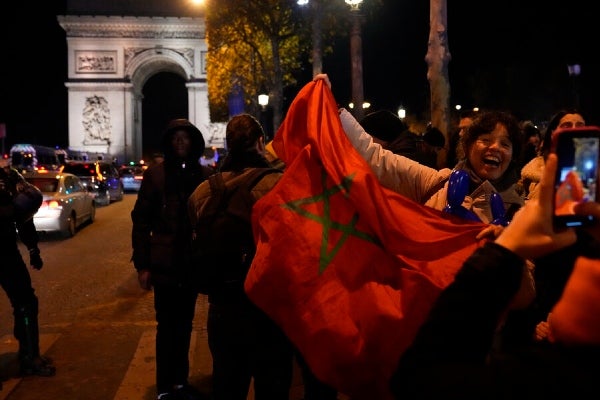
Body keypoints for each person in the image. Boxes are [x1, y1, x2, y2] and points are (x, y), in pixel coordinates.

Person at [389, 152, 600, 399]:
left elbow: (422, 378)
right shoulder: (442, 182)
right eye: (486, 138)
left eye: (505, 142)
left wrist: (506, 251)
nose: (494, 148)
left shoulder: (545, 378)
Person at [187, 114, 293, 400]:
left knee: (228, 385)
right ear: (261, 142)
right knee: (273, 388)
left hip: (224, 308)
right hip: (270, 309)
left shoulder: (202, 193)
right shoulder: (283, 186)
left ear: (228, 145)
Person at [131, 118, 213, 400]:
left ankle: (180, 381)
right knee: (166, 327)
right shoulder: (155, 175)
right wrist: (142, 265)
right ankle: (165, 386)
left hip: (190, 264)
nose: (180, 142)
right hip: (164, 264)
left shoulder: (204, 175)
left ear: (193, 142)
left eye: (185, 137)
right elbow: (140, 222)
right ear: (169, 142)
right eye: (175, 137)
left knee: (185, 324)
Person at [0, 159, 56, 377]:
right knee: (25, 303)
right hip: (4, 253)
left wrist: (33, 249)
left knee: (26, 303)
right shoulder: (7, 179)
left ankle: (30, 355)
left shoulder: (9, 178)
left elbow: (23, 217)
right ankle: (30, 357)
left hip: (5, 252)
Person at [519, 109, 585, 201]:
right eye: (566, 126)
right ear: (553, 133)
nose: (574, 130)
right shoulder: (531, 173)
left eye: (580, 127)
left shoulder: (594, 171)